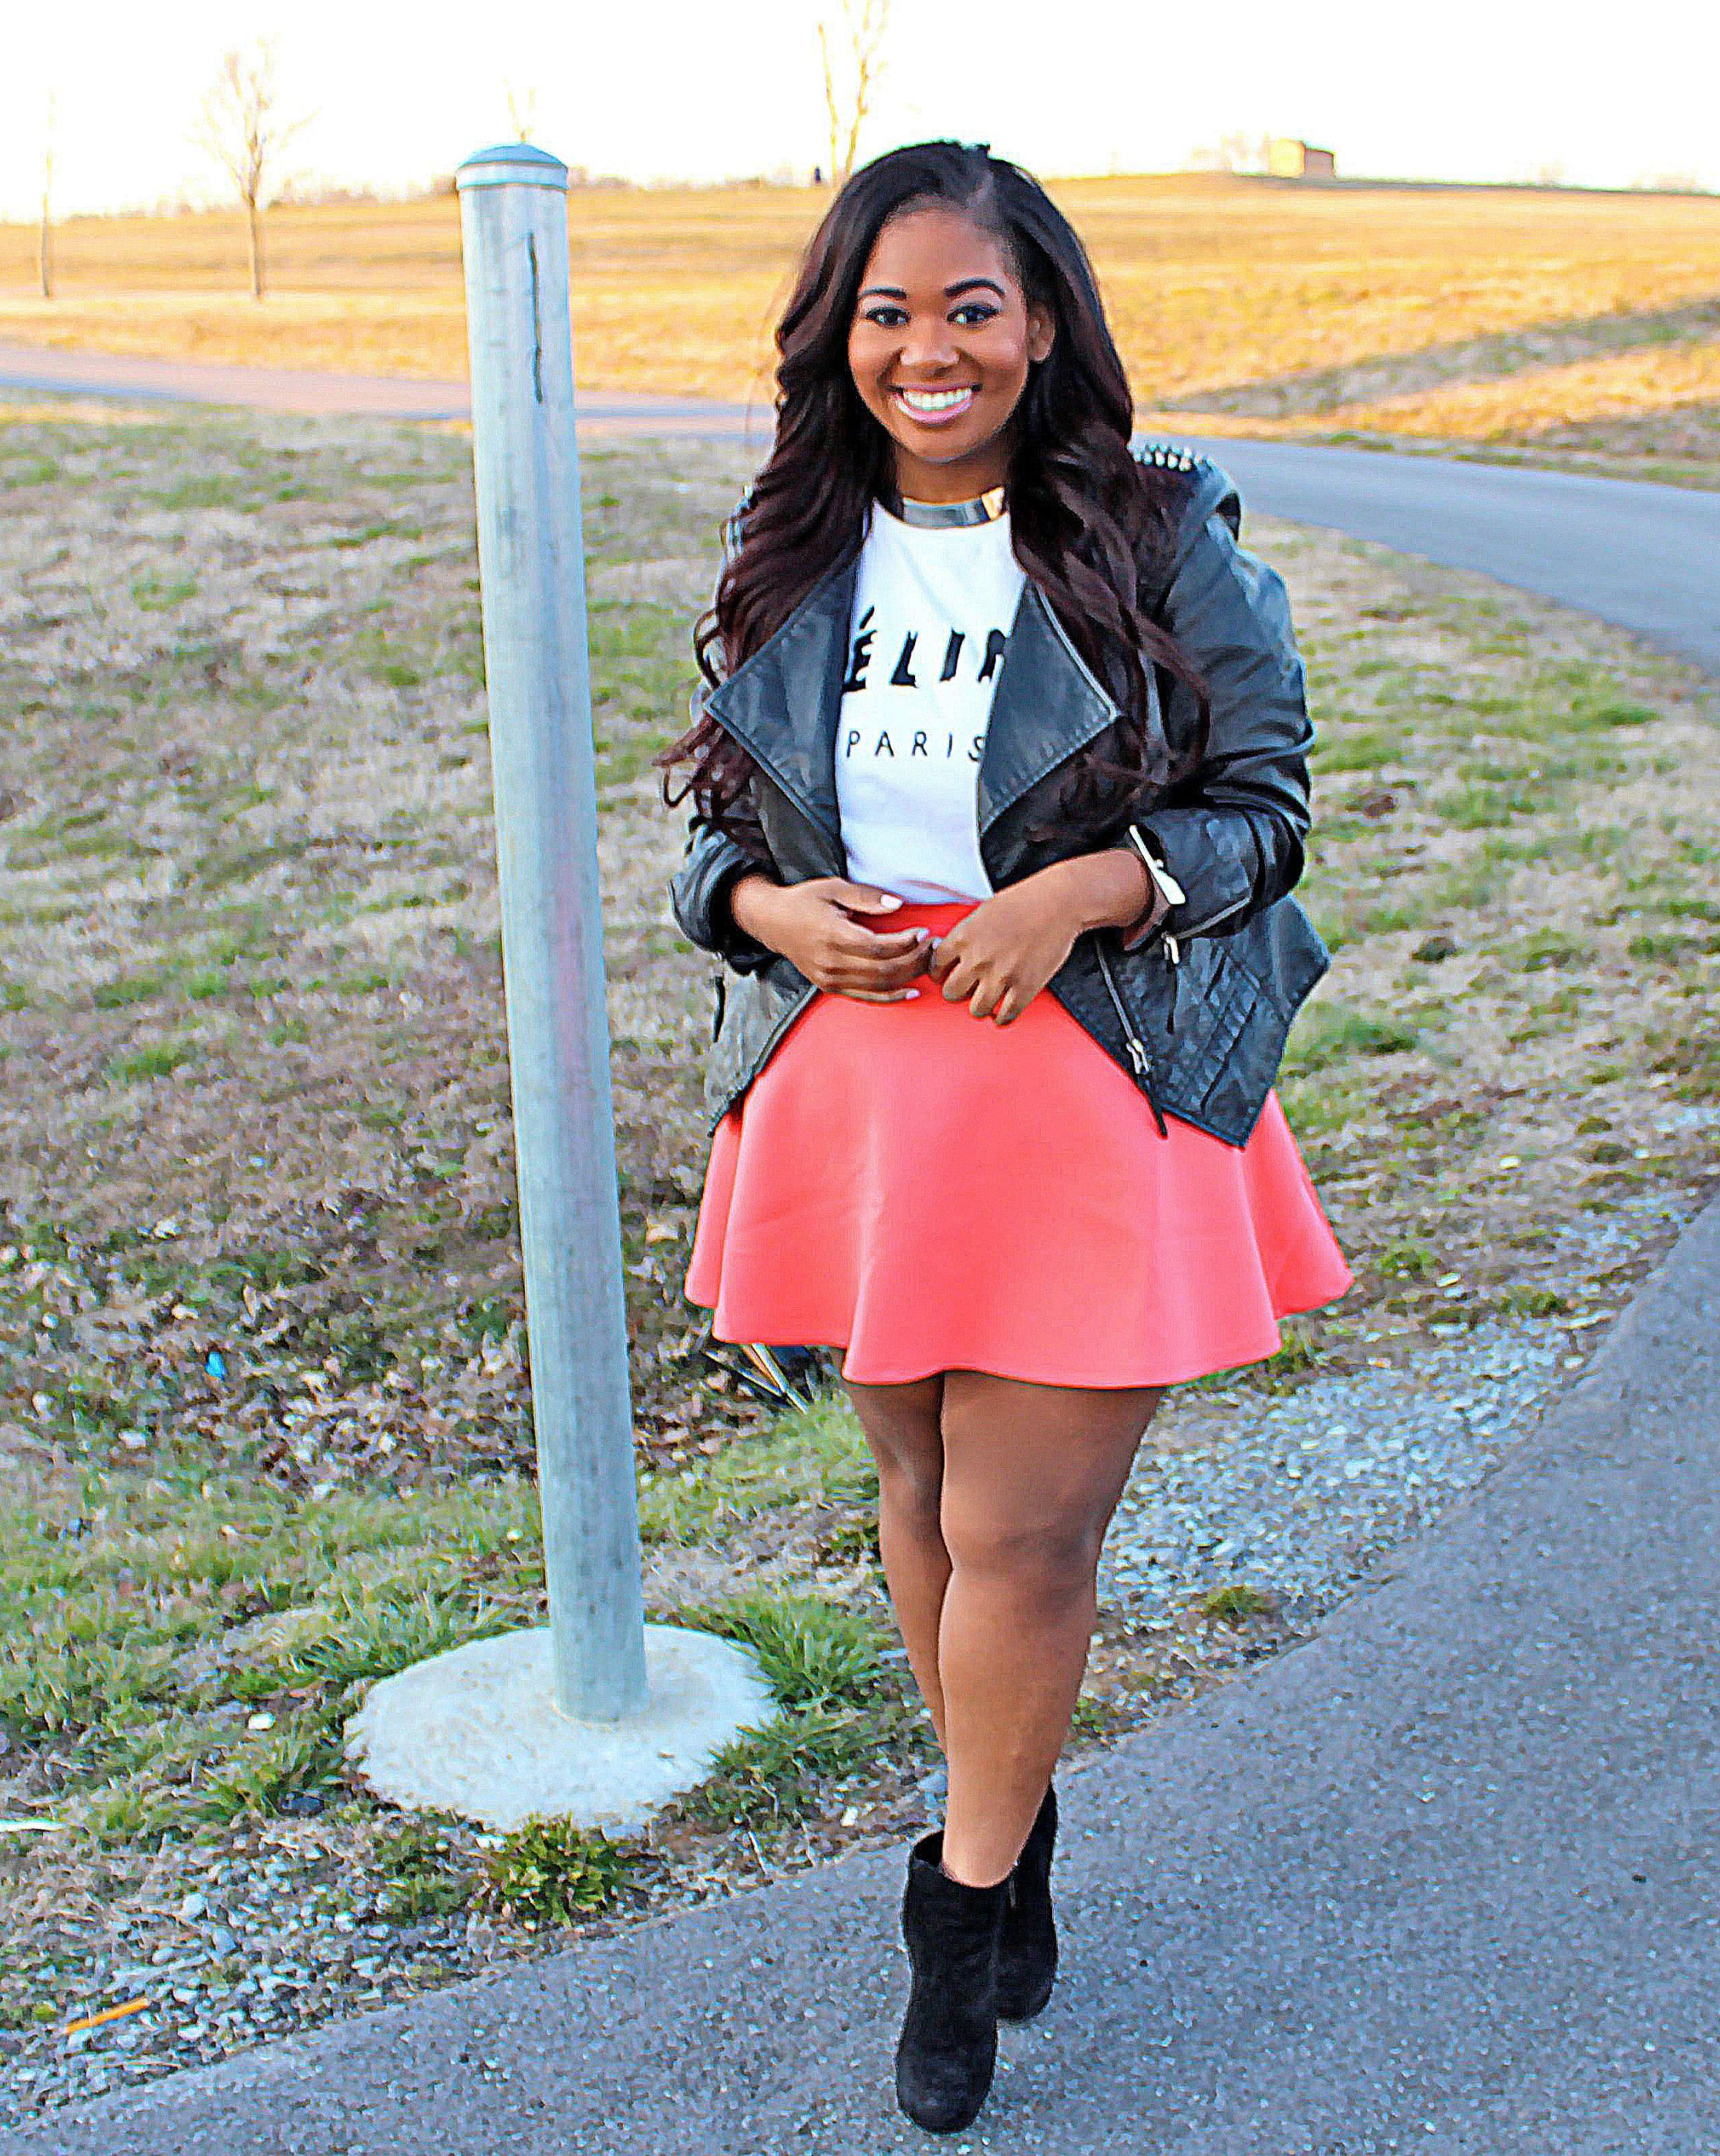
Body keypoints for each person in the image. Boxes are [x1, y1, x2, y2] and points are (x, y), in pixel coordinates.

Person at [657, 140, 1353, 2134]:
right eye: (888, 311)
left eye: (972, 305)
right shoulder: (800, 540)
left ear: (1042, 321)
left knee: (1024, 1533)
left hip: (1087, 1077)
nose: (929, 347)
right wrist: (757, 912)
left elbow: (1269, 800)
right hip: (858, 1088)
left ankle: (954, 1919)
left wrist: (1092, 890)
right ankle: (1012, 1819)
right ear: (837, 338)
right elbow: (720, 819)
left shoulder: (1155, 530)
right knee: (913, 1498)